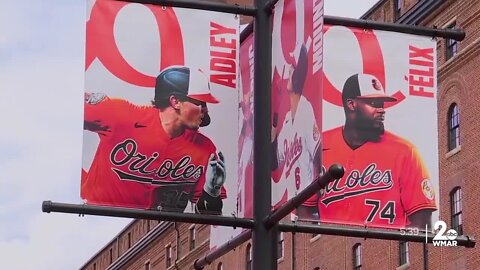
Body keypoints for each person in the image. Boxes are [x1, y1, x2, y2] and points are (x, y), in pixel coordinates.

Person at [81, 66, 227, 215]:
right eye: (200, 103)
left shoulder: (205, 149)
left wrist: (212, 191)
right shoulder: (121, 115)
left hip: (159, 233)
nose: (206, 110)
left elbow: (208, 216)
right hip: (97, 219)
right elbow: (65, 107)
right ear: (175, 101)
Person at [316, 73, 437, 228]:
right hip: (331, 250)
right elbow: (305, 211)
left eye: (382, 104)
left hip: (387, 247)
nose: (381, 110)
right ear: (351, 104)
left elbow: (422, 224)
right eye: (374, 103)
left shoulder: (405, 151)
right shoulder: (319, 146)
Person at [271, 43, 322, 218]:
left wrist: (313, 198)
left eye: (293, 70)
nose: (289, 73)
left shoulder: (306, 110)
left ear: (298, 77)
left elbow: (317, 157)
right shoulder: (285, 122)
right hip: (295, 209)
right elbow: (273, 162)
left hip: (308, 207)